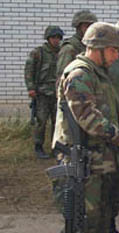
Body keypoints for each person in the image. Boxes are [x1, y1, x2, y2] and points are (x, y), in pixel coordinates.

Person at [53, 22, 119, 233]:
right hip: (83, 163)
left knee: (103, 217)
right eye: (113, 50)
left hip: (97, 159)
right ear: (97, 48)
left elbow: (98, 108)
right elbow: (88, 117)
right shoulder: (79, 74)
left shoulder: (96, 73)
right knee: (85, 221)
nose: (115, 56)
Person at [24, 25, 64, 159]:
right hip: (41, 93)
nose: (56, 40)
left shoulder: (62, 52)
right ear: (48, 38)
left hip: (57, 92)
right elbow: (29, 70)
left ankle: (56, 147)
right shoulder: (38, 52)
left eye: (58, 38)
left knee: (57, 122)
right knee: (41, 121)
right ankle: (38, 146)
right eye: (53, 37)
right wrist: (30, 88)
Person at [56, 10, 97, 81]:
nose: (90, 29)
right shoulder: (69, 48)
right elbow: (62, 76)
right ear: (78, 27)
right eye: (87, 26)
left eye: (92, 26)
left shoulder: (90, 46)